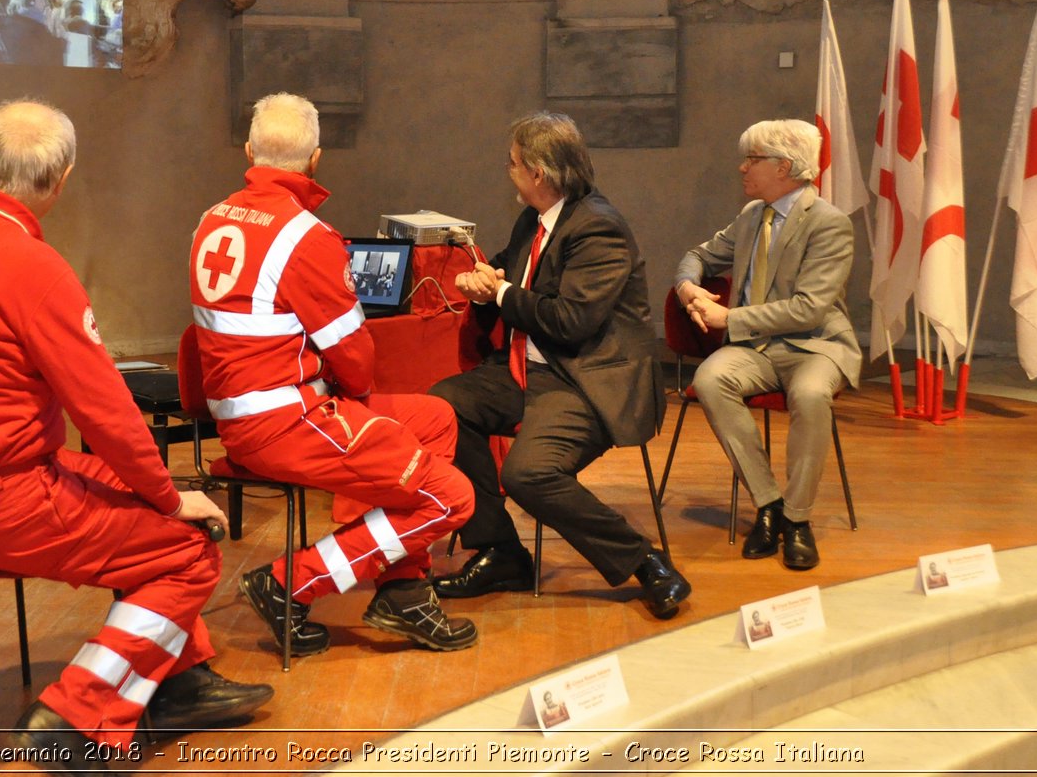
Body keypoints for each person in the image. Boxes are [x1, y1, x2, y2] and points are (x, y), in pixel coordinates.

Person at [0, 100, 272, 769]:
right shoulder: (34, 269)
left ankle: (179, 680)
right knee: (187, 548)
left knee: (142, 518)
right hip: (4, 502)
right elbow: (105, 409)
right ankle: (74, 714)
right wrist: (166, 494)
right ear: (60, 179)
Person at [189, 92, 477, 657]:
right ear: (316, 159)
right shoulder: (307, 237)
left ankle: (402, 592)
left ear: (249, 151)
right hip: (288, 421)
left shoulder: (211, 219)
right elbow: (356, 361)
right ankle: (289, 583)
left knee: (436, 419)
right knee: (451, 499)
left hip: (250, 416)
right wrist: (352, 400)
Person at [429, 112, 691, 620]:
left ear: (538, 174)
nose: (508, 172)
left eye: (512, 164)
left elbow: (570, 321)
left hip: (586, 379)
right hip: (528, 368)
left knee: (528, 474)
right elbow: (508, 269)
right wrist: (484, 282)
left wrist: (501, 291)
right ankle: (501, 551)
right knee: (443, 407)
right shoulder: (535, 217)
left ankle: (647, 564)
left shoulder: (599, 229)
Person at [674, 118, 860, 571]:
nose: (742, 168)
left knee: (812, 394)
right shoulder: (751, 216)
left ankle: (797, 519)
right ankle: (769, 503)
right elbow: (698, 256)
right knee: (711, 378)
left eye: (752, 159)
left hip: (814, 346)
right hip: (755, 348)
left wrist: (729, 318)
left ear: (784, 167)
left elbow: (809, 309)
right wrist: (687, 287)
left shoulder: (830, 224)